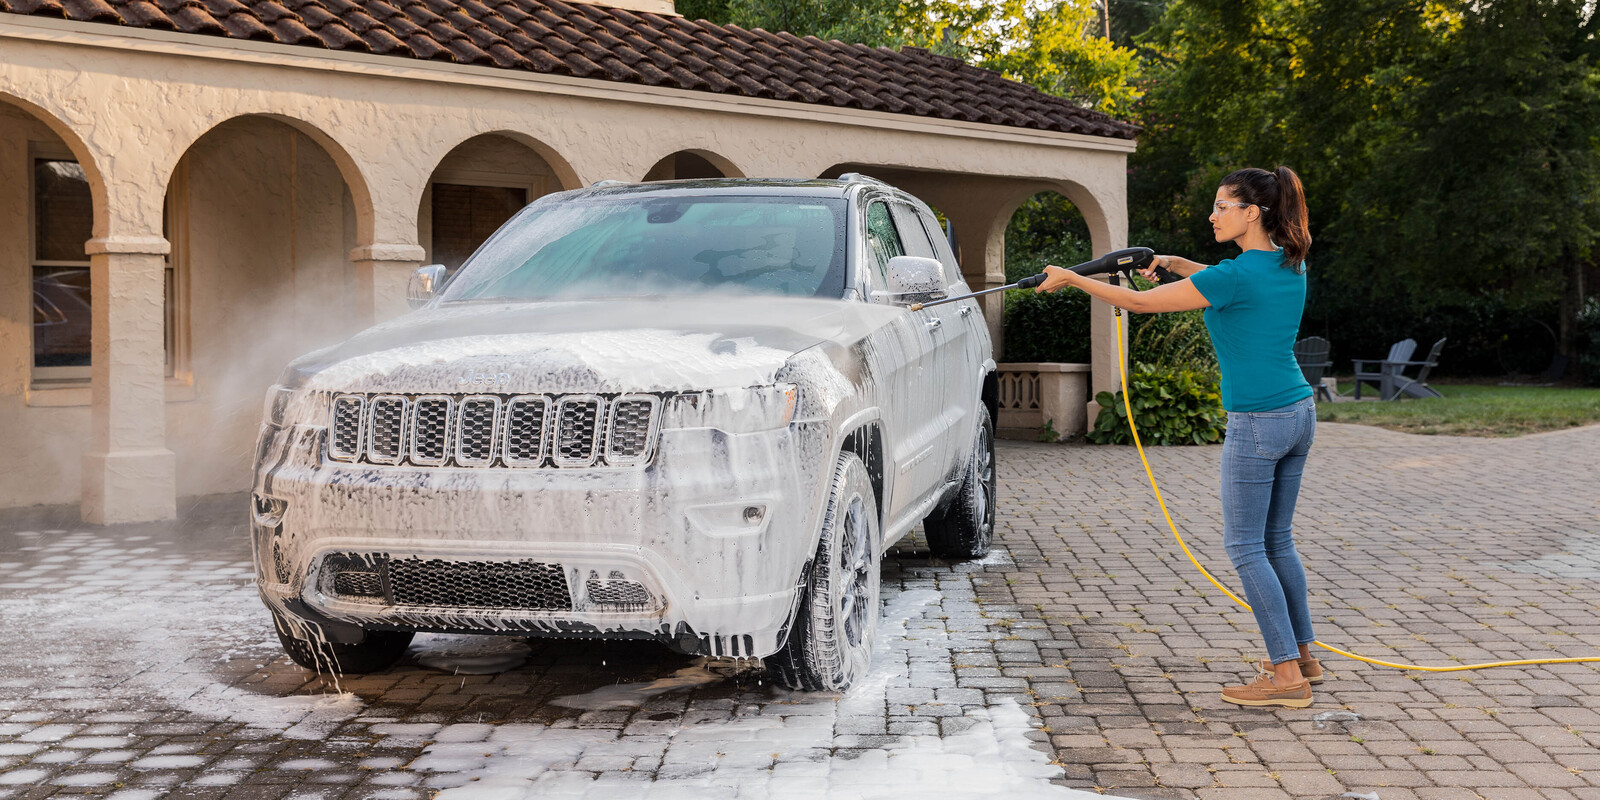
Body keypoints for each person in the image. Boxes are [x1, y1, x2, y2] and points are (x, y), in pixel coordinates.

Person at [1035, 166, 1319, 709]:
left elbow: (1139, 304)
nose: (1212, 216)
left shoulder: (1233, 278)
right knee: (1277, 541)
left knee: (1245, 546)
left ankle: (1286, 678)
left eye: (1221, 207)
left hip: (1258, 421)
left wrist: (1071, 278)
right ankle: (1303, 656)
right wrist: (1171, 266)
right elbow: (1218, 278)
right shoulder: (1289, 264)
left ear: (1251, 212)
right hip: (1297, 412)